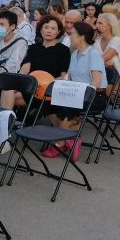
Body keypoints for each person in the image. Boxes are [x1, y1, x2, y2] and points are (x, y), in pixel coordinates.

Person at [44, 22, 107, 161]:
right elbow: (69, 77)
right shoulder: (75, 54)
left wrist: (78, 97)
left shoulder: (93, 54)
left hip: (95, 96)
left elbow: (95, 82)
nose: (69, 36)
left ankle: (60, 143)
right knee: (48, 104)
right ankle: (71, 138)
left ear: (82, 37)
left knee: (67, 108)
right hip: (76, 93)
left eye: (72, 34)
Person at [1, 15, 70, 109]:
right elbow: (25, 69)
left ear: (58, 32)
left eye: (53, 28)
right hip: (30, 87)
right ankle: (6, 121)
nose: (49, 31)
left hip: (48, 90)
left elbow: (63, 75)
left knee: (8, 96)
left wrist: (49, 85)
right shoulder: (33, 48)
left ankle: (5, 121)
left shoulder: (64, 50)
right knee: (7, 90)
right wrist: (19, 84)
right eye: (46, 27)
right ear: (41, 30)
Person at [0, 10, 29, 74]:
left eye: (2, 24)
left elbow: (12, 66)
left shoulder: (20, 43)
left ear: (12, 26)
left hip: (9, 77)